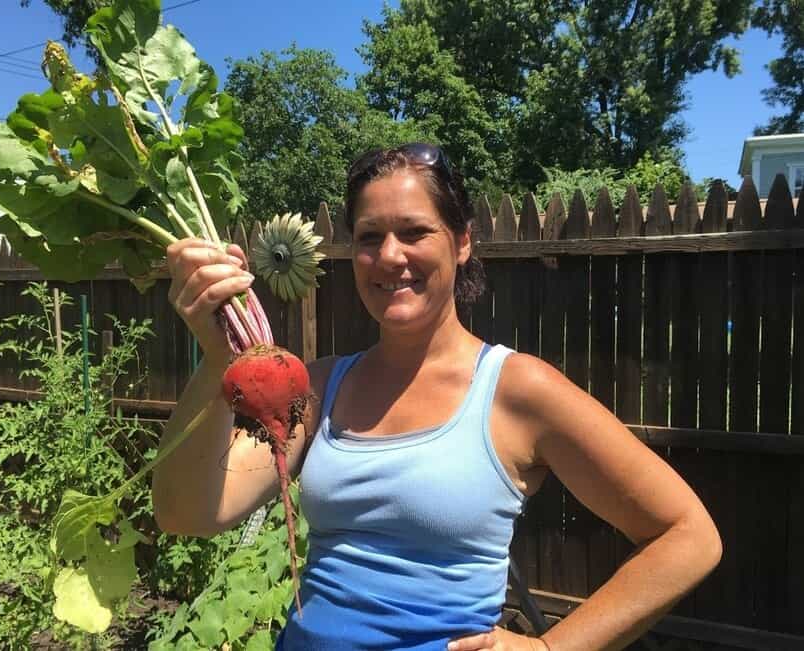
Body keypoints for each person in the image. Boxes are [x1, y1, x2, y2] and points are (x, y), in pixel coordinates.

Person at [152, 143, 722, 651]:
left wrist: (551, 649)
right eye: (370, 237)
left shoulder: (517, 390)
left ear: (463, 241)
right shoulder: (320, 387)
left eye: (415, 231)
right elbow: (189, 514)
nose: (391, 255)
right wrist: (216, 358)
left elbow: (688, 536)